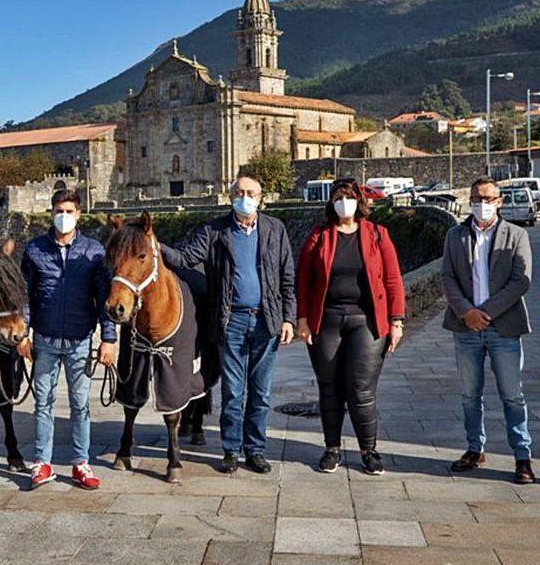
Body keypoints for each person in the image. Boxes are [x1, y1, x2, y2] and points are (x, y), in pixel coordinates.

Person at [160, 175, 296, 474]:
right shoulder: (215, 231)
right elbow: (185, 257)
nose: (244, 197)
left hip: (266, 319)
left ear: (261, 198)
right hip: (230, 319)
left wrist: (289, 317)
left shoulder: (275, 229)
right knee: (233, 391)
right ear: (230, 196)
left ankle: (256, 450)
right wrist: (156, 247)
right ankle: (231, 450)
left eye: (250, 192)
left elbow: (287, 276)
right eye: (239, 192)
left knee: (260, 392)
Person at [296, 179, 405, 475]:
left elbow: (393, 280)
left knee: (361, 391)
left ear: (360, 202)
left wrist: (396, 320)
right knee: (329, 389)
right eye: (339, 197)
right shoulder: (319, 235)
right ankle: (332, 449)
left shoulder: (378, 235)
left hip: (366, 323)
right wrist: (303, 319)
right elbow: (303, 279)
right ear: (331, 203)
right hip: (326, 321)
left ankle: (369, 450)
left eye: (349, 197)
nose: (344, 202)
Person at [18, 189, 117, 490]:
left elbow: (103, 299)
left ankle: (80, 464)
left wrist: (108, 339)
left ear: (79, 214)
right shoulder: (34, 250)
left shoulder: (94, 251)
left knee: (80, 405)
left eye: (69, 211)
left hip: (80, 341)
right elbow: (24, 298)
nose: (64, 217)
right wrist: (23, 333)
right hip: (45, 340)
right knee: (43, 404)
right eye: (59, 211)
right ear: (51, 213)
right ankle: (41, 464)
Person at [440, 179, 535, 484]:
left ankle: (522, 455)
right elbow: (447, 277)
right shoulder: (455, 235)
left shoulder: (516, 235)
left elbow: (521, 280)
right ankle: (474, 448)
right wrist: (466, 312)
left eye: (489, 198)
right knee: (470, 394)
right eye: (477, 198)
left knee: (512, 395)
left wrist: (487, 312)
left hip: (503, 327)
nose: (482, 203)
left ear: (500, 201)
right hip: (465, 327)